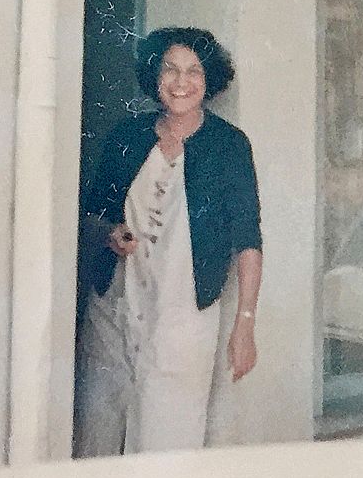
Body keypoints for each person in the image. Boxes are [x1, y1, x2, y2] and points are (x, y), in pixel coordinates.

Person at [75, 26, 263, 455]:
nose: (181, 83)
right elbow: (88, 217)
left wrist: (245, 327)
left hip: (184, 318)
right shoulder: (127, 136)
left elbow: (248, 242)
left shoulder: (229, 146)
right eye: (170, 70)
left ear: (209, 79)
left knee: (169, 441)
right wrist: (109, 234)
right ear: (154, 77)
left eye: (193, 72)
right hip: (114, 313)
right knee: (97, 437)